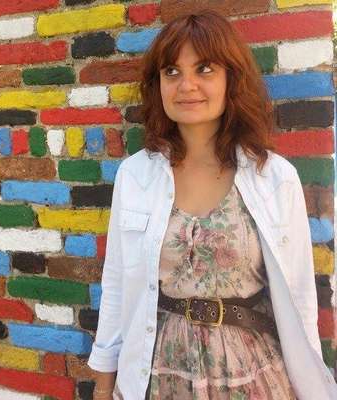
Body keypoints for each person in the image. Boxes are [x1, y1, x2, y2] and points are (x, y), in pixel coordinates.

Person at [87, 10, 337, 400]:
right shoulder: (135, 177)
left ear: (231, 79)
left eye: (204, 69)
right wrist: (104, 387)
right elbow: (118, 284)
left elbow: (300, 297)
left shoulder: (274, 178)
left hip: (250, 374)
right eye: (172, 71)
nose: (186, 85)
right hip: (158, 375)